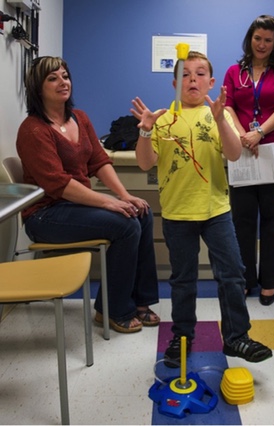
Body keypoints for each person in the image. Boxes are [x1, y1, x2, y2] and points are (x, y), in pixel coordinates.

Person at [130, 51, 272, 367]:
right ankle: (182, 338)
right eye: (185, 74)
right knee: (182, 280)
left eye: (199, 74)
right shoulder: (163, 118)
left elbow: (234, 155)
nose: (192, 79)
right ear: (174, 82)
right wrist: (145, 130)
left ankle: (237, 338)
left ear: (210, 82)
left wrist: (222, 118)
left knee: (233, 274)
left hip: (216, 211)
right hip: (178, 214)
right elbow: (144, 162)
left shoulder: (219, 115)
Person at [16, 56, 160, 333]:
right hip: (46, 215)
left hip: (76, 207)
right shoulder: (33, 130)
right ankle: (113, 310)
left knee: (140, 213)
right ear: (37, 87)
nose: (63, 82)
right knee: (126, 225)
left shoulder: (79, 118)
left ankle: (141, 303)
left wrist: (124, 196)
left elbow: (98, 161)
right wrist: (109, 202)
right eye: (52, 78)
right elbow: (58, 184)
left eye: (65, 76)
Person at [223, 15, 274, 305]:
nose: (262, 44)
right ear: (249, 39)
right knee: (241, 219)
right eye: (258, 38)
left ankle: (269, 282)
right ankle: (244, 279)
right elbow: (227, 106)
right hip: (240, 150)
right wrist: (243, 136)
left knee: (271, 217)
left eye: (268, 40)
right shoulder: (234, 71)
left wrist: (259, 133)